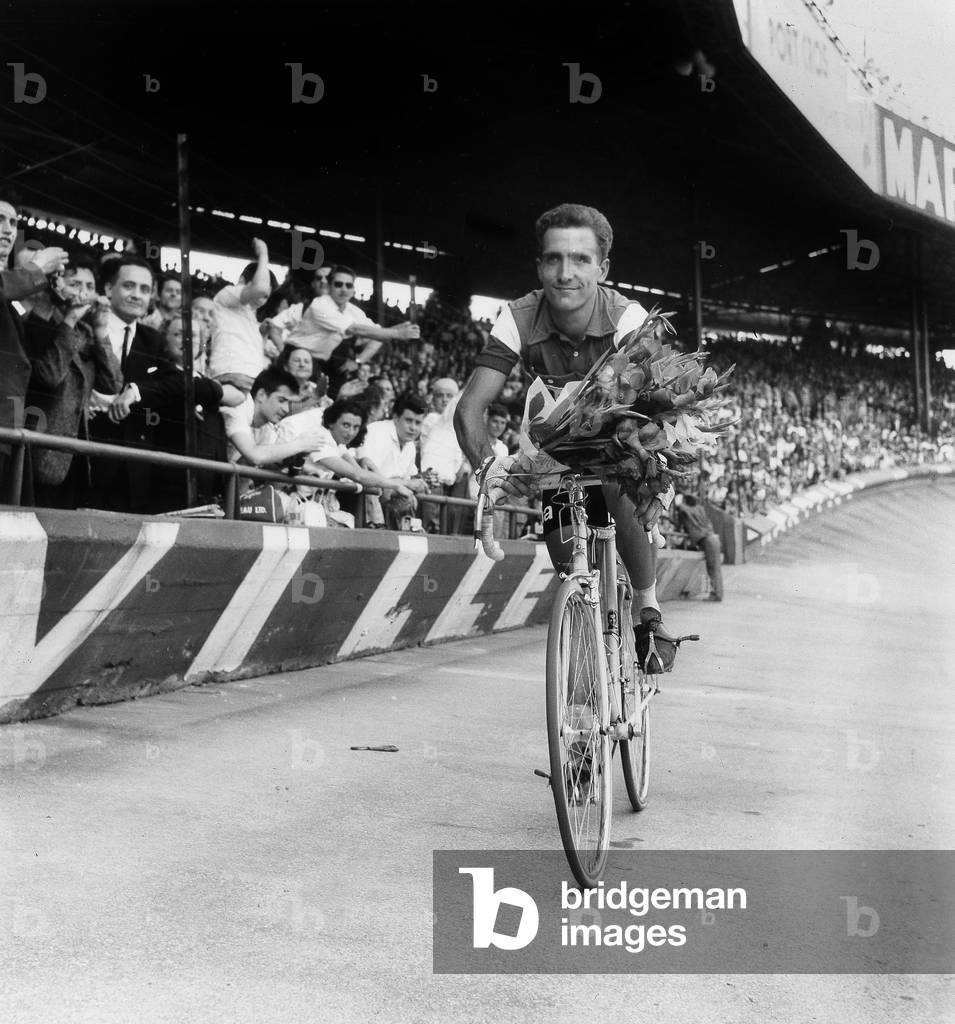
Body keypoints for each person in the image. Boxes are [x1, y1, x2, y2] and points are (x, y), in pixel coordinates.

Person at [454, 202, 680, 661]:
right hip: (553, 451)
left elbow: (656, 405)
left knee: (621, 483)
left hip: (617, 441)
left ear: (603, 267)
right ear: (539, 266)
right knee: (566, 564)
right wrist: (488, 469)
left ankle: (647, 610)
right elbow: (469, 411)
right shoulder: (517, 317)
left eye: (580, 259)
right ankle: (585, 641)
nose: (565, 272)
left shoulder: (628, 318)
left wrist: (656, 471)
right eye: (554, 259)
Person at [24, 259, 122, 508]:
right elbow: (48, 375)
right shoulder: (38, 322)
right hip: (38, 452)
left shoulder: (87, 331)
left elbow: (112, 383)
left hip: (74, 454)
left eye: (89, 286)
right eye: (75, 284)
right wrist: (68, 322)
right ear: (56, 286)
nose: (83, 293)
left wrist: (101, 330)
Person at [0, 195, 68, 501]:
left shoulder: (10, 300)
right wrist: (37, 270)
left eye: (13, 222)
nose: (8, 230)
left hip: (9, 431)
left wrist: (50, 300)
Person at [284, 265, 419, 383]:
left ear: (353, 289)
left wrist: (401, 328)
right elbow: (355, 329)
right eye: (338, 284)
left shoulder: (354, 311)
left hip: (319, 362)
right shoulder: (319, 305)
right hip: (296, 356)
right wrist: (398, 334)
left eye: (348, 285)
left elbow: (378, 334)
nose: (344, 289)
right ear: (329, 286)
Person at [207, 238, 278, 392]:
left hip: (251, 381)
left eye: (266, 296)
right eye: (262, 293)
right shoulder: (226, 295)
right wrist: (263, 254)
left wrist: (263, 336)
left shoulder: (251, 318)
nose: (261, 298)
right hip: (231, 378)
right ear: (242, 281)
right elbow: (260, 287)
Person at [672, 493, 724, 601]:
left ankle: (717, 594)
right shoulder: (700, 509)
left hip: (708, 540)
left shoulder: (690, 510)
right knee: (715, 568)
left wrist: (678, 501)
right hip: (713, 539)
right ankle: (717, 593)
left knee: (713, 568)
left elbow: (682, 508)